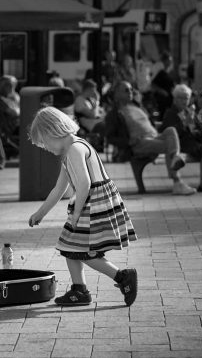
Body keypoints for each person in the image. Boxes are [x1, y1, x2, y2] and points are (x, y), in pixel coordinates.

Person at [27, 107, 138, 307]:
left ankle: (122, 277)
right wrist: (40, 213)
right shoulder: (71, 150)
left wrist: (77, 213)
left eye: (44, 143)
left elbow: (85, 184)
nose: (45, 148)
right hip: (91, 204)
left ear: (52, 131)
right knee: (70, 247)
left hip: (93, 206)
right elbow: (59, 189)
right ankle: (79, 289)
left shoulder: (75, 149)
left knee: (84, 251)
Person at [105, 81, 196, 195]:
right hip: (139, 143)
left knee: (171, 130)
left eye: (131, 89)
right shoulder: (114, 114)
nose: (130, 92)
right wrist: (128, 141)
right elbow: (110, 137)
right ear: (117, 94)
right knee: (169, 145)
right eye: (126, 90)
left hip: (155, 137)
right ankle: (177, 181)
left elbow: (149, 124)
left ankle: (175, 158)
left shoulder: (137, 106)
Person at [0, 75, 20, 153]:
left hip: (17, 125)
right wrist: (16, 101)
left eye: (13, 85)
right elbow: (15, 113)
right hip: (9, 127)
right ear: (2, 86)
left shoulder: (13, 98)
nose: (12, 88)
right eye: (9, 85)